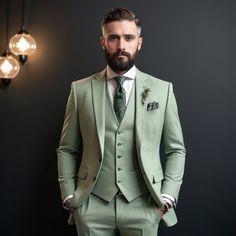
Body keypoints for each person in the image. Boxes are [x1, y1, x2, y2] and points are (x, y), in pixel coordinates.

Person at [57, 8, 186, 236]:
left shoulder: (162, 90)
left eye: (129, 37)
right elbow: (67, 148)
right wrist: (69, 195)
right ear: (103, 42)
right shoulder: (80, 90)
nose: (121, 45)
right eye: (113, 37)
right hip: (91, 205)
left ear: (139, 42)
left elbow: (176, 150)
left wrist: (168, 195)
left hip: (145, 205)